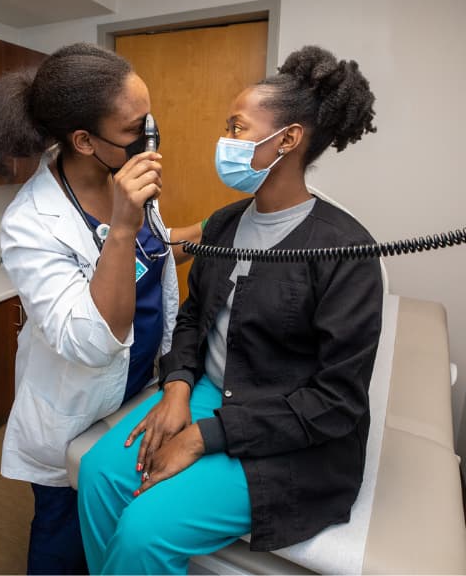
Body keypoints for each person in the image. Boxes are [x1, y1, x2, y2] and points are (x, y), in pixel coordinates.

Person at [77, 45, 383, 574]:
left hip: (292, 430)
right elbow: (195, 318)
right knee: (99, 476)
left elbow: (336, 402)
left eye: (238, 128)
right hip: (210, 394)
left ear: (287, 139)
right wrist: (176, 391)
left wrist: (203, 437)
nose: (226, 141)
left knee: (146, 530)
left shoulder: (346, 250)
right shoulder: (223, 225)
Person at [0, 42, 202, 574]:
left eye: (150, 120)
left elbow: (155, 254)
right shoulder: (31, 221)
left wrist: (217, 230)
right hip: (76, 410)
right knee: (63, 539)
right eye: (134, 129)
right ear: (83, 140)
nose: (150, 138)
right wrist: (123, 225)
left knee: (116, 526)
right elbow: (93, 338)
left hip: (138, 388)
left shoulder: (124, 180)